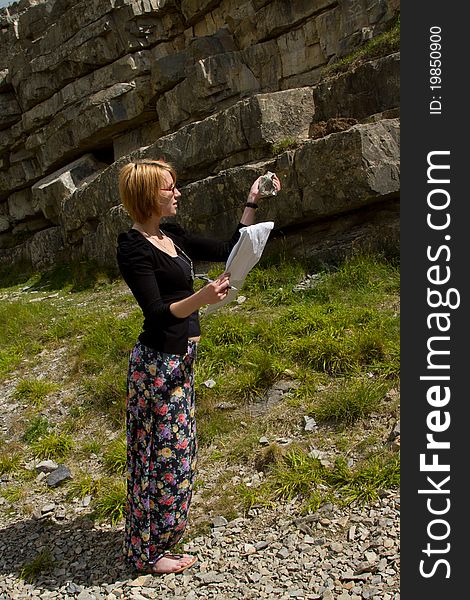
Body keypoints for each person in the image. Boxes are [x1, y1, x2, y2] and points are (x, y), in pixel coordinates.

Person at [116, 159, 281, 575]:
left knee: (178, 453)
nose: (178, 193)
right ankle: (149, 553)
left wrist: (253, 200)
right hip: (157, 364)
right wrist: (202, 300)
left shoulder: (173, 235)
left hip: (181, 361)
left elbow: (229, 247)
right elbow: (156, 312)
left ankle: (157, 540)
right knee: (160, 456)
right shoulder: (132, 247)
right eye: (170, 187)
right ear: (148, 195)